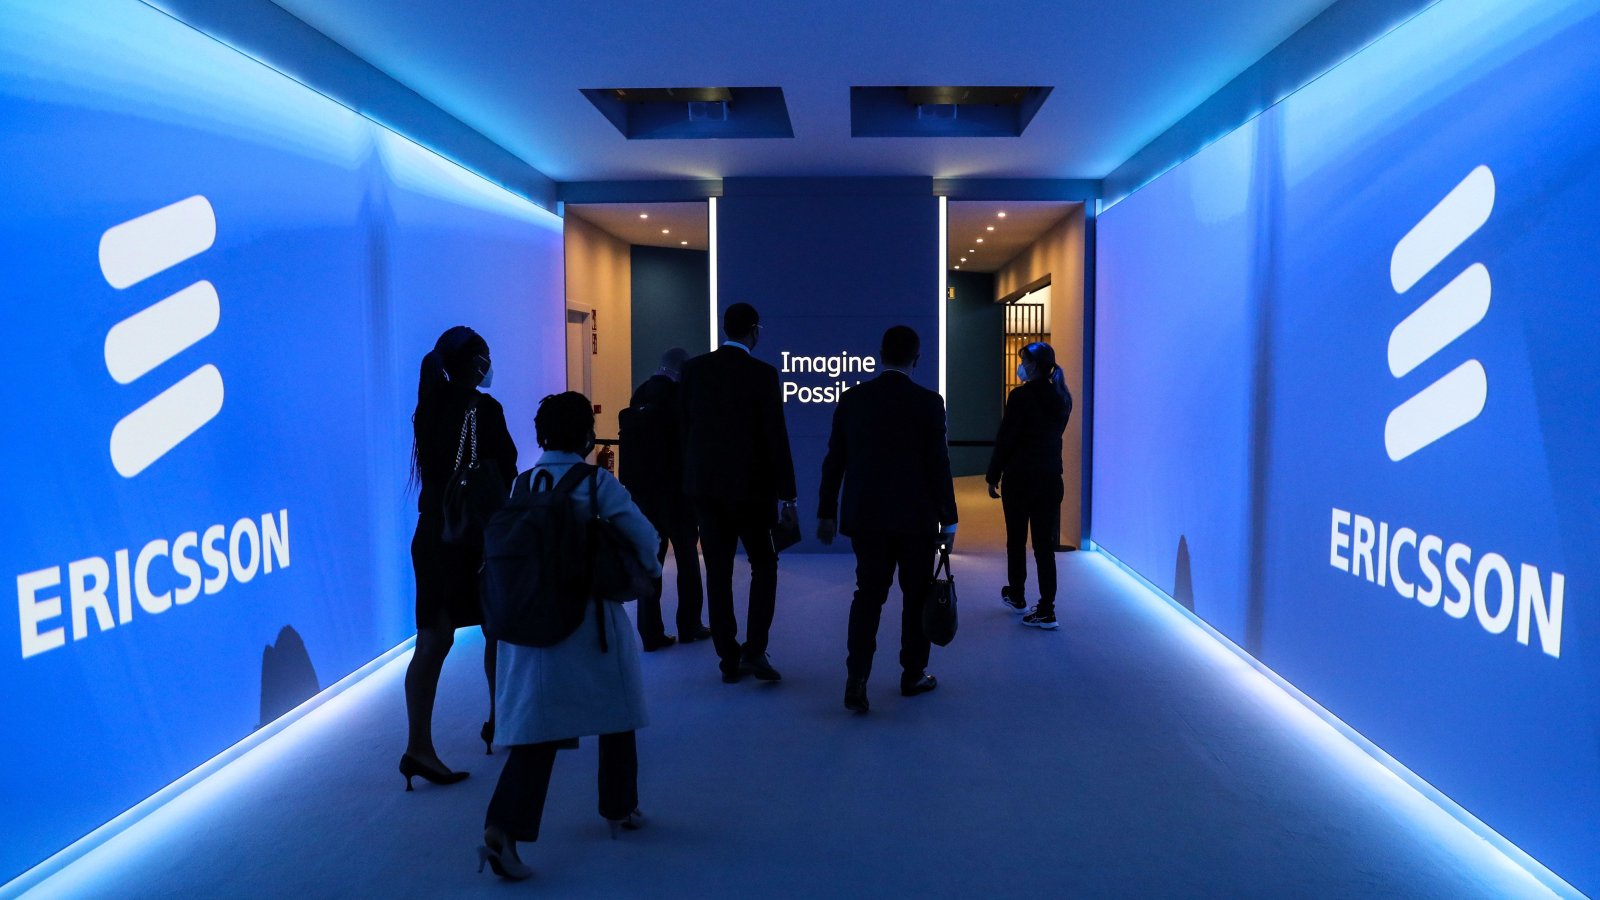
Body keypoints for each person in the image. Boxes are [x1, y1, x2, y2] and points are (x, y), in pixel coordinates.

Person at [478, 392, 662, 881]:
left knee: (538, 733)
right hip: (587, 620)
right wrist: (649, 574)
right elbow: (644, 537)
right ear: (587, 435)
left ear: (541, 434)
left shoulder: (522, 483)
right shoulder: (595, 483)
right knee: (617, 710)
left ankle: (502, 827)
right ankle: (620, 806)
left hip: (528, 624)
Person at [817, 326, 957, 713]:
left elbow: (835, 461)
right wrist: (949, 520)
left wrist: (826, 511)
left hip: (868, 517)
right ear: (917, 358)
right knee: (915, 597)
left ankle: (857, 679)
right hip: (916, 519)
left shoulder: (853, 399)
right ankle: (913, 674)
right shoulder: (929, 402)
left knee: (868, 596)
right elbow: (938, 465)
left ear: (880, 354)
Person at [402, 326, 516, 788]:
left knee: (431, 642)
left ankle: (418, 747)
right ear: (476, 363)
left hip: (433, 533)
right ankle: (502, 720)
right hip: (475, 535)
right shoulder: (484, 410)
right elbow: (505, 470)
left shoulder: (427, 407)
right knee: (496, 628)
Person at [678, 302, 798, 684]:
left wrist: (690, 480)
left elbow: (683, 429)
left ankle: (728, 658)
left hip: (706, 490)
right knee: (764, 565)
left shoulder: (694, 370)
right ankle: (755, 649)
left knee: (718, 571)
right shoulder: (763, 374)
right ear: (754, 331)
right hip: (753, 492)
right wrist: (789, 494)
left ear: (724, 328)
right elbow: (775, 436)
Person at [618, 347, 710, 651]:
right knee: (687, 559)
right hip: (677, 493)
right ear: (683, 370)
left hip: (643, 493)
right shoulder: (680, 396)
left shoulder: (641, 393)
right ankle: (690, 624)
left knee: (650, 560)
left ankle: (650, 632)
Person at [986, 341, 1073, 630]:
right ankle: (1047, 609)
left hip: (1020, 478)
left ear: (1034, 366)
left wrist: (993, 474)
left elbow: (1007, 438)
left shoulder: (1020, 396)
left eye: (1023, 361)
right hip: (1050, 478)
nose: (1020, 366)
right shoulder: (1062, 396)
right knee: (1044, 547)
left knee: (1016, 540)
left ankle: (1017, 595)